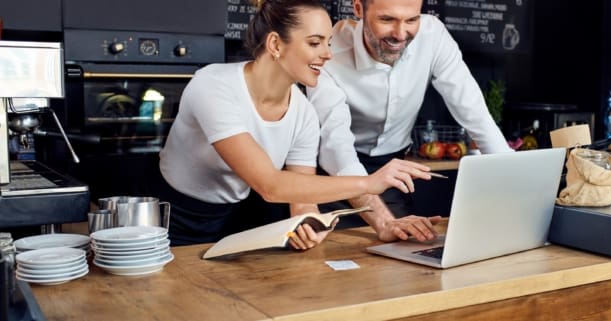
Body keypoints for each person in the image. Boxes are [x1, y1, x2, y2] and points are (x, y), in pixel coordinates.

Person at [152, 0, 437, 248]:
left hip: (239, 220)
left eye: (328, 43)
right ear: (275, 44)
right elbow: (270, 185)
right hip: (172, 220)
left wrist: (308, 222)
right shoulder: (214, 85)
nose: (327, 54)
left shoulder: (304, 113)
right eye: (315, 43)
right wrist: (370, 182)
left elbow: (302, 195)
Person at [306, 0, 513, 242]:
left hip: (393, 169)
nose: (400, 34)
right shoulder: (329, 52)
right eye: (387, 20)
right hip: (335, 176)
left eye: (412, 20)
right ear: (359, 9)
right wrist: (383, 221)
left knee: (403, 253)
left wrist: (514, 181)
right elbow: (336, 148)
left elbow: (474, 112)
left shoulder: (433, 35)